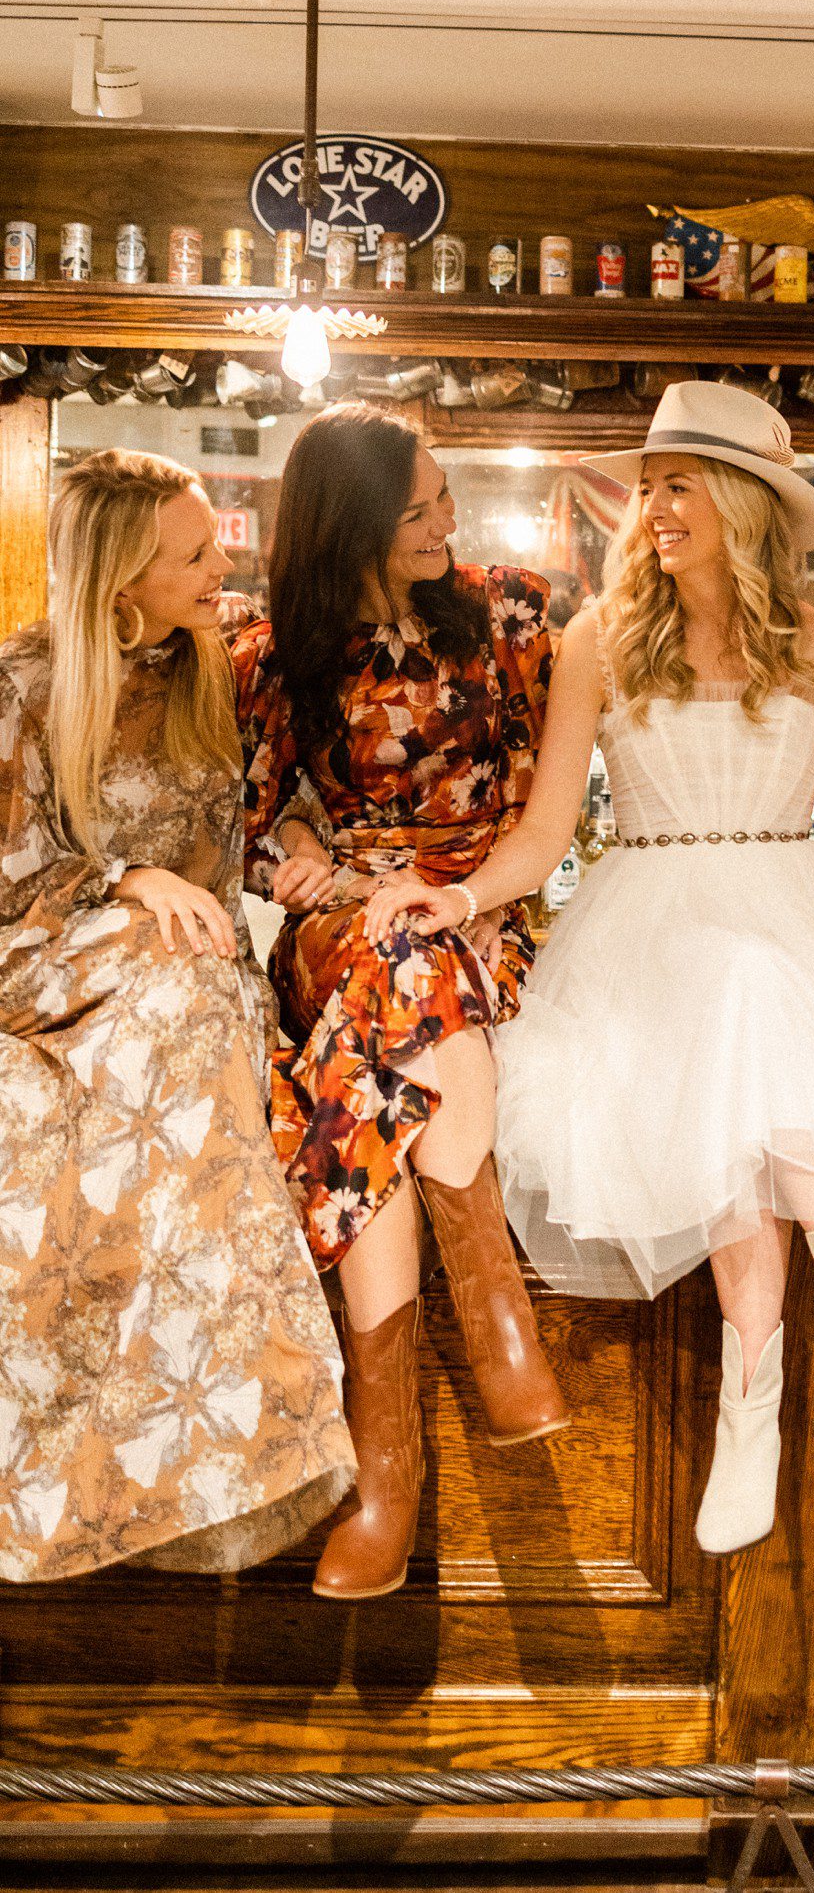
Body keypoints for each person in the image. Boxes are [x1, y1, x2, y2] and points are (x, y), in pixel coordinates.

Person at [363, 382, 814, 1560]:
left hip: (790, 907)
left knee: (753, 1024)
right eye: (649, 485)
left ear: (744, 501)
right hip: (647, 921)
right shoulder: (598, 639)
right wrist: (460, 894)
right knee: (736, 1000)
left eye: (679, 483)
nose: (653, 506)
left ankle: (752, 1402)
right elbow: (545, 835)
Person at [231, 403, 568, 1603]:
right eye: (419, 506)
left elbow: (567, 790)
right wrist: (295, 868)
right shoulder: (280, 655)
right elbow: (235, 825)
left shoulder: (515, 616)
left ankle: (389, 1473)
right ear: (356, 524)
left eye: (445, 495)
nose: (447, 520)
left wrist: (460, 890)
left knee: (374, 1065)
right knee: (391, 965)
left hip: (479, 907)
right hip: (348, 925)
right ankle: (496, 1330)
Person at [0, 450, 353, 1584]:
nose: (224, 564)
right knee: (186, 967)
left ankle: (224, 1454)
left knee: (200, 980)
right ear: (119, 580)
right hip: (48, 958)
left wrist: (294, 843)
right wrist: (122, 882)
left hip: (188, 975)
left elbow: (278, 797)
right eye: (195, 554)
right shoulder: (21, 684)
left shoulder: (226, 669)